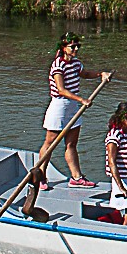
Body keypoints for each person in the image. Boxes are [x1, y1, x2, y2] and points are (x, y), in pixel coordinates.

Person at [40, 33, 110, 187]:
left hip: (72, 107)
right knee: (50, 143)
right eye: (73, 47)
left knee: (71, 144)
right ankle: (40, 176)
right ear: (64, 48)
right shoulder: (58, 65)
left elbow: (85, 74)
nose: (76, 49)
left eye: (78, 46)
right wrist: (81, 100)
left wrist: (101, 74)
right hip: (59, 107)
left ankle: (76, 178)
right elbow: (61, 90)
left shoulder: (76, 63)